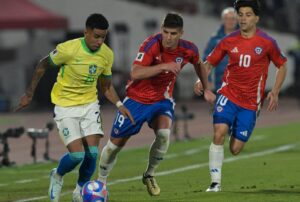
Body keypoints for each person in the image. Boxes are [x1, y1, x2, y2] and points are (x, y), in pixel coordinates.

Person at [16, 13, 134, 202]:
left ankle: (79, 190)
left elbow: (106, 86)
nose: (100, 41)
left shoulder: (107, 54)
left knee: (92, 153)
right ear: (85, 32)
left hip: (89, 105)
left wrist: (120, 104)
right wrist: (29, 94)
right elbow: (42, 65)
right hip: (65, 106)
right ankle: (57, 175)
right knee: (77, 155)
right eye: (96, 36)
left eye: (103, 37)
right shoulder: (68, 49)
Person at [97, 12, 216, 196]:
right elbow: (135, 73)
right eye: (166, 32)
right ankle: (101, 182)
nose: (168, 37)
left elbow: (199, 64)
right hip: (137, 100)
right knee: (114, 146)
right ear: (161, 30)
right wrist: (163, 66)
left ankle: (150, 174)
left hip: (162, 100)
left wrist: (206, 88)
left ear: (181, 33)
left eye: (173, 33)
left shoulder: (188, 49)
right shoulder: (151, 44)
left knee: (163, 134)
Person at [194, 0, 287, 192]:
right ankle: (215, 183)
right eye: (241, 14)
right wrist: (200, 80)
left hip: (251, 102)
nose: (243, 19)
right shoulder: (228, 40)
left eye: (248, 15)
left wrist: (275, 91)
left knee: (235, 149)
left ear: (256, 18)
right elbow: (209, 62)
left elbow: (282, 65)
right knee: (218, 132)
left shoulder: (267, 42)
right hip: (228, 94)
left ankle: (234, 126)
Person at [203, 7, 238, 92]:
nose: (230, 21)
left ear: (237, 20)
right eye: (227, 18)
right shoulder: (215, 39)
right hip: (220, 82)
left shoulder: (245, 37)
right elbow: (206, 60)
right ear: (222, 20)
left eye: (232, 18)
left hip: (240, 82)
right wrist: (208, 80)